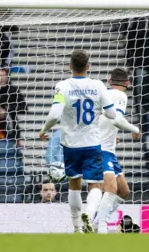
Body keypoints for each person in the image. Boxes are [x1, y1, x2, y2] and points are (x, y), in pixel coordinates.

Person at [37, 50, 134, 233]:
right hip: (92, 144)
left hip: (71, 144)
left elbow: (55, 114)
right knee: (95, 186)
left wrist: (44, 130)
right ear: (88, 66)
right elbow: (112, 114)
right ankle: (89, 215)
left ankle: (76, 227)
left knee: (74, 186)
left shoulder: (62, 86)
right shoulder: (98, 86)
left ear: (70, 66)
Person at [93, 68, 141, 233]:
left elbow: (101, 119)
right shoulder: (120, 95)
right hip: (100, 149)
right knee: (111, 188)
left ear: (109, 81)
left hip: (107, 148)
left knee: (123, 191)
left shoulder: (105, 95)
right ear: (127, 83)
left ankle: (94, 225)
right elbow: (117, 120)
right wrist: (135, 129)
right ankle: (101, 227)